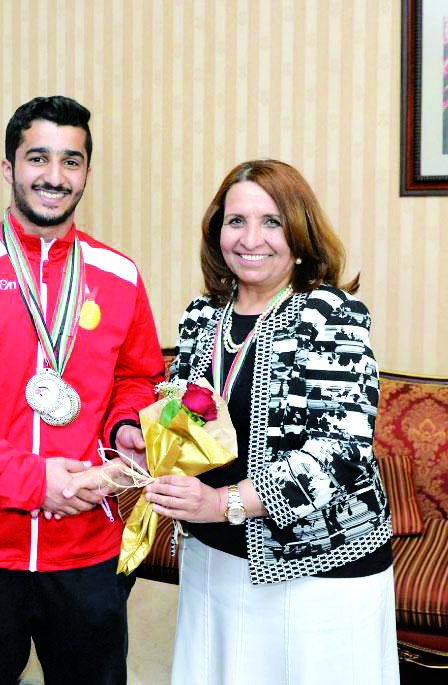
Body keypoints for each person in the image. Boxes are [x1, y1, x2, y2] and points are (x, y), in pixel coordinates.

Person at [0, 96, 165, 685]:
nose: (54, 175)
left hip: (87, 546)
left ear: (87, 172)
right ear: (8, 167)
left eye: (71, 160)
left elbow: (137, 376)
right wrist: (36, 482)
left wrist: (125, 427)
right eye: (38, 158)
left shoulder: (119, 275)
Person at [144, 160, 396, 684]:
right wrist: (146, 444)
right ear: (217, 231)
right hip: (213, 559)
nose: (250, 239)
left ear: (299, 232)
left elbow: (340, 453)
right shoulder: (201, 316)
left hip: (318, 568)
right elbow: (182, 413)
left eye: (272, 222)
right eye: (236, 221)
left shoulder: (330, 315)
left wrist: (223, 503)